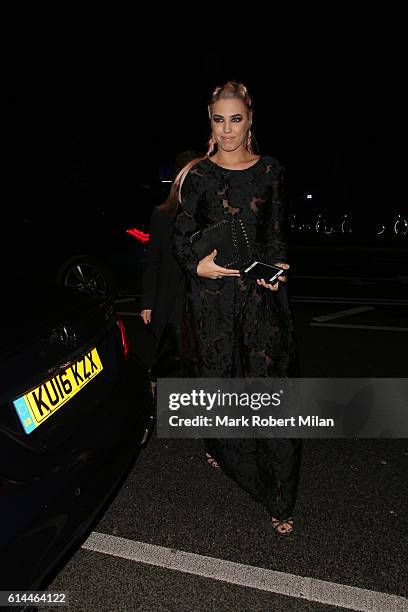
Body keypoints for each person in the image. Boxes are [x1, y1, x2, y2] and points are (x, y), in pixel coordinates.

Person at [171, 81, 301, 536]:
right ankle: (227, 454)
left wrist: (278, 265)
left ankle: (279, 498)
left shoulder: (270, 170)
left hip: (261, 300)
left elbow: (277, 232)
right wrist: (197, 266)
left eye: (236, 119)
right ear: (210, 121)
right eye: (218, 120)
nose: (227, 130)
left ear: (250, 120)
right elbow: (181, 234)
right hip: (212, 303)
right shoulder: (198, 175)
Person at [140, 151, 202, 384]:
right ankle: (156, 384)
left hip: (203, 295)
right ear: (179, 178)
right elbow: (153, 261)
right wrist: (147, 302)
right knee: (175, 349)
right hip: (173, 297)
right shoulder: (162, 215)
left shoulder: (208, 214)